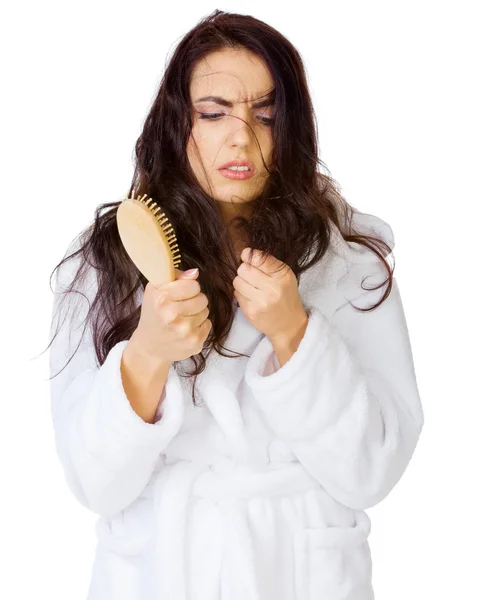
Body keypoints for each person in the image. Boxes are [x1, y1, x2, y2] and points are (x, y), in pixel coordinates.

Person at [47, 9, 424, 600]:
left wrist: (296, 335)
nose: (241, 136)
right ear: (178, 124)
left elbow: (373, 470)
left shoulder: (348, 263)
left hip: (300, 573)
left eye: (265, 114)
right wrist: (145, 355)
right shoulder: (105, 262)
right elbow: (94, 484)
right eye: (214, 113)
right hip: (157, 574)